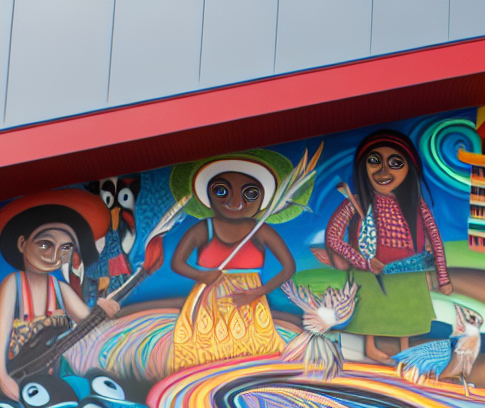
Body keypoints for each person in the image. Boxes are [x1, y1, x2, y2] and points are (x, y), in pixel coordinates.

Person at [324, 128, 452, 363]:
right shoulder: (357, 202)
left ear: (409, 169)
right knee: (372, 307)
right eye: (374, 161)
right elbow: (333, 237)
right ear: (363, 166)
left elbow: (434, 236)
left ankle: (404, 349)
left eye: (395, 163)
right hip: (370, 270)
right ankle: (371, 349)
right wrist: (362, 261)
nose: (383, 171)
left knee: (407, 314)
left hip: (410, 269)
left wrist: (442, 277)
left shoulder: (416, 204)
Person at [170, 150, 297, 370]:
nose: (235, 201)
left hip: (250, 303)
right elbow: (177, 263)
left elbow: (289, 267)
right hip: (208, 302)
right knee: (205, 355)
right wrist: (201, 275)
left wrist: (258, 292)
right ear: (207, 197)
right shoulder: (203, 228)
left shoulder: (261, 230)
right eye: (221, 191)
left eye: (250, 193)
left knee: (254, 354)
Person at [0, 189, 118, 400]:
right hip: (18, 371)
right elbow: (1, 333)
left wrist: (103, 311)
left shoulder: (61, 289)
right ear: (23, 244)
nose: (54, 256)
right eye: (45, 245)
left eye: (64, 248)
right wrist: (3, 377)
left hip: (52, 374)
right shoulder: (13, 284)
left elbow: (87, 322)